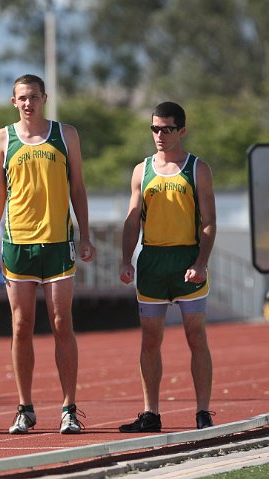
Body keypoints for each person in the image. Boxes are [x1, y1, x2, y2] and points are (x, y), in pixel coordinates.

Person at [0, 74, 95, 435]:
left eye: (33, 96)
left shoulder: (67, 135)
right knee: (21, 326)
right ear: (13, 101)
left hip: (58, 243)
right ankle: (25, 407)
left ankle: (68, 408)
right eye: (22, 98)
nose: (28, 103)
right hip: (17, 244)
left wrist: (86, 234)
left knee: (63, 323)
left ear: (44, 97)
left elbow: (77, 186)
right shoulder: (3, 137)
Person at [118, 101, 217, 432]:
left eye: (166, 129)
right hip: (152, 261)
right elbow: (133, 220)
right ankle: (151, 413)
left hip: (186, 259)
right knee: (149, 339)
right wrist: (125, 259)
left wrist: (201, 262)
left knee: (195, 335)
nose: (159, 135)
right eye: (155, 128)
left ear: (181, 131)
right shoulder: (141, 170)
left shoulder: (197, 168)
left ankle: (203, 412)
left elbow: (209, 221)